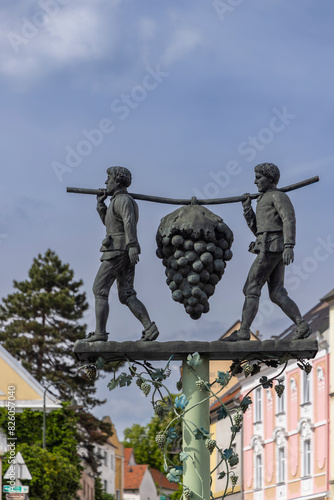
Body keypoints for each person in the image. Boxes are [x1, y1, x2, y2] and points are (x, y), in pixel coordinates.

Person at [224, 162, 311, 342]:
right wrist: (247, 209)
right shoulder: (263, 199)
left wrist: (289, 245)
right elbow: (258, 229)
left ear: (270, 178)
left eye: (258, 178)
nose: (255, 182)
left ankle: (244, 331)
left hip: (271, 247)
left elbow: (289, 219)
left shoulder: (278, 196)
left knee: (251, 288)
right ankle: (301, 324)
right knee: (276, 293)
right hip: (267, 244)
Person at [85, 166, 159, 342]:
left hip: (117, 251)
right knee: (126, 294)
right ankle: (149, 328)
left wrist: (132, 244)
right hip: (122, 249)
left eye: (108, 178)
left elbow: (129, 222)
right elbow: (110, 224)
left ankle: (100, 333)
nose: (105, 182)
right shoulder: (116, 202)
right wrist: (100, 205)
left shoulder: (123, 200)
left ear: (117, 181)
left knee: (99, 289)